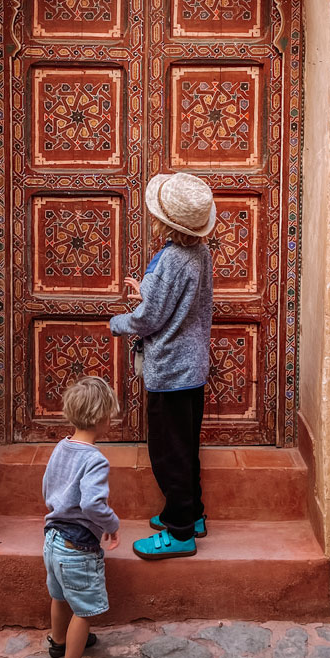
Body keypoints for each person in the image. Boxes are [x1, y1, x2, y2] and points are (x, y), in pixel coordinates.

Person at [111, 172, 215, 560]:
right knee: (186, 447)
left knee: (167, 453)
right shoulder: (199, 253)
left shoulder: (171, 259)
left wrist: (119, 322)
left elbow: (149, 319)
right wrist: (148, 290)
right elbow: (176, 302)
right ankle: (191, 513)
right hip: (193, 368)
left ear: (163, 220)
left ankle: (180, 533)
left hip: (169, 370)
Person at [42, 375, 121, 658]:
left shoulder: (61, 447)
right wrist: (112, 525)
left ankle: (59, 642)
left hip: (52, 540)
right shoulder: (95, 460)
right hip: (77, 548)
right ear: (103, 418)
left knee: (59, 595)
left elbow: (47, 485)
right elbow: (92, 503)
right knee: (85, 610)